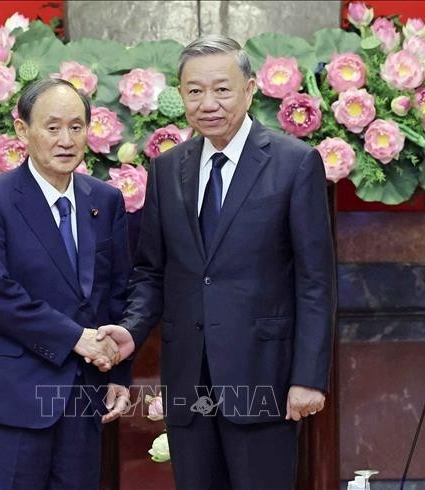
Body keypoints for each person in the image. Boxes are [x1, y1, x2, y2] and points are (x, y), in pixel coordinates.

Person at [110, 35, 336, 489]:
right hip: (188, 379)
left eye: (222, 89)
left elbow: (316, 281)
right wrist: (130, 330)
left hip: (264, 376)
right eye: (194, 91)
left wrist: (309, 378)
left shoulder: (294, 164)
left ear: (250, 90)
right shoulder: (167, 168)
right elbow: (152, 270)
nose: (207, 103)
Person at [0, 78, 135, 489]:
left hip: (83, 401)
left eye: (76, 127)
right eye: (52, 127)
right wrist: (76, 337)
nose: (66, 139)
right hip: (10, 403)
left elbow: (117, 292)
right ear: (23, 131)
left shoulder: (105, 200)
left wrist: (118, 376)